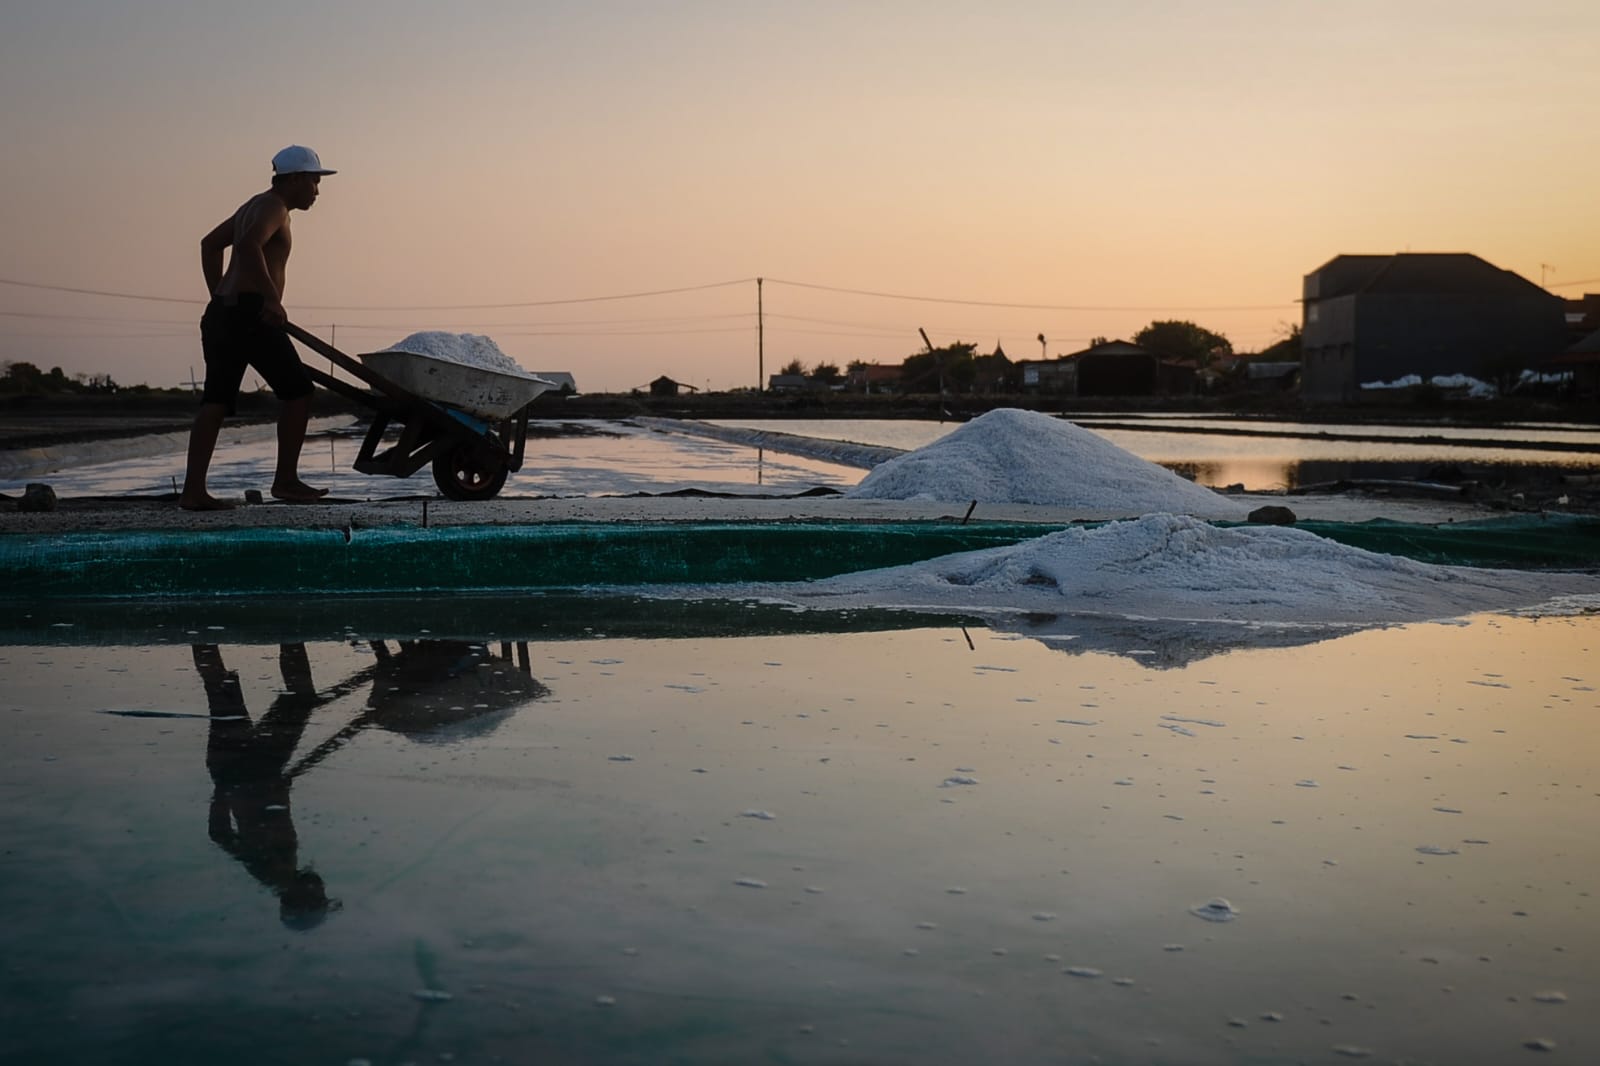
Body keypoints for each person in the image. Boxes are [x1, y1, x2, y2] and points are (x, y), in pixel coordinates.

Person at [180, 145, 336, 510]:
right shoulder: (274, 207)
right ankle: (286, 482)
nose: (317, 191)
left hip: (225, 314)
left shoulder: (253, 205)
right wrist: (269, 299)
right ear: (294, 179)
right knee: (298, 392)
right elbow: (249, 245)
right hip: (250, 315)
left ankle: (193, 492)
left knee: (215, 400)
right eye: (314, 181)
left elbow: (209, 245)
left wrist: (220, 296)